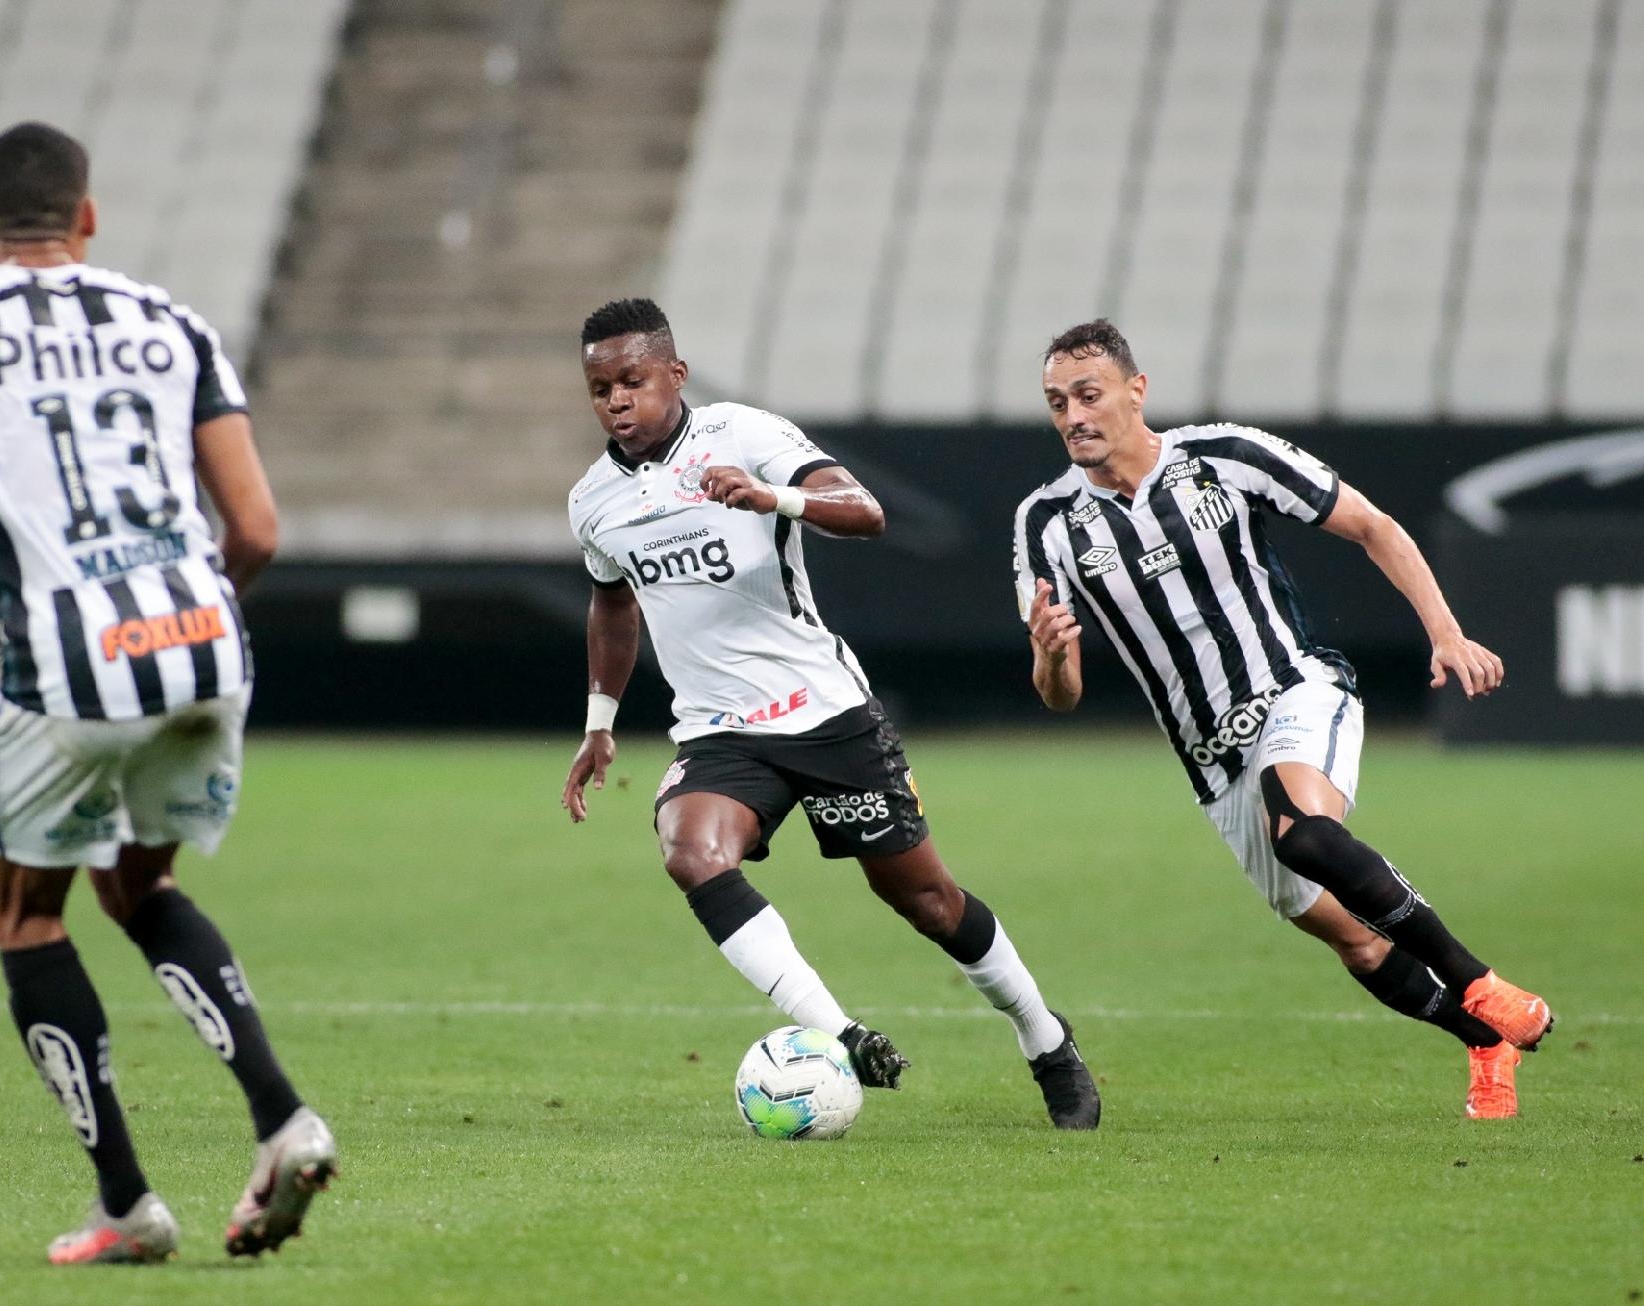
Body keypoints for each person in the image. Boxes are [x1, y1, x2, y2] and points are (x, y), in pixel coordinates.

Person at [0, 122, 335, 1263]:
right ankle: (283, 1116)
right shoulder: (175, 324)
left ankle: (127, 1202)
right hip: (205, 639)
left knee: (24, 912)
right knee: (141, 881)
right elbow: (256, 526)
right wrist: (189, 605)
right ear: (89, 214)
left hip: (67, 657)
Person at [560, 298, 1099, 1129]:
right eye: (600, 387)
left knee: (928, 903)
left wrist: (772, 499)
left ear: (676, 374)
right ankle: (838, 1034)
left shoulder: (746, 436)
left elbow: (867, 513)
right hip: (717, 731)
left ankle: (1045, 1039)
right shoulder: (594, 500)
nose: (617, 400)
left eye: (632, 380)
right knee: (691, 851)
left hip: (821, 712)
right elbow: (611, 604)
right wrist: (600, 720)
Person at [1014, 318, 1552, 1120]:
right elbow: (1061, 695)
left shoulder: (1222, 456)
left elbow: (1373, 525)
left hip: (1296, 688)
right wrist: (1053, 655)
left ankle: (1480, 980)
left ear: (1137, 390)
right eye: (1058, 403)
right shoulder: (1045, 523)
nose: (1073, 417)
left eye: (1088, 395)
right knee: (1353, 937)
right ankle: (1482, 1037)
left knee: (1299, 828)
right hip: (1210, 759)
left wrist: (1445, 631)